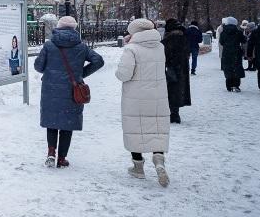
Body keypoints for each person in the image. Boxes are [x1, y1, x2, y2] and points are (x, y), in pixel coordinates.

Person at [34, 16, 104, 168]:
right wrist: (81, 74)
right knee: (67, 123)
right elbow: (99, 61)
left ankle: (51, 153)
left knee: (52, 121)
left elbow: (38, 67)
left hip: (51, 90)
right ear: (74, 29)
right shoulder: (81, 46)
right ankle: (61, 159)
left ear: (58, 27)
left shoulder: (49, 45)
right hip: (72, 90)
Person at [115, 18, 171, 187]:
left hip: (135, 97)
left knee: (135, 130)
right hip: (158, 95)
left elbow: (123, 75)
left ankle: (138, 167)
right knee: (156, 129)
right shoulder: (160, 47)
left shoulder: (131, 49)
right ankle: (159, 160)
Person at [162, 19, 191, 124]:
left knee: (170, 91)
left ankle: (172, 114)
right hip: (182, 69)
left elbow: (164, 54)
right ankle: (175, 113)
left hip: (170, 69)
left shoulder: (168, 40)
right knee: (178, 91)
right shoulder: (184, 38)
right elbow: (188, 52)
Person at [219, 17, 247, 92]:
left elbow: (221, 42)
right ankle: (236, 85)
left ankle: (229, 86)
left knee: (228, 68)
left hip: (226, 53)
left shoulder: (223, 32)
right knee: (236, 68)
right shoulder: (238, 32)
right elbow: (244, 40)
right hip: (236, 52)